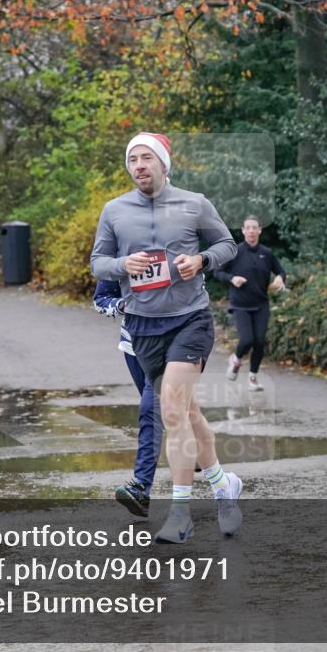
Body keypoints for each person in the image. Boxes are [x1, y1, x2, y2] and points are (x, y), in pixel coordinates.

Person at [90, 132, 240, 544]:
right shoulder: (115, 210)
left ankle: (180, 514)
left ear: (163, 164)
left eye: (145, 158)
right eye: (132, 160)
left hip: (189, 320)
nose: (138, 165)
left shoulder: (193, 203)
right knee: (188, 414)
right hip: (142, 326)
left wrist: (202, 260)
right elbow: (98, 265)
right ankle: (223, 485)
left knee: (171, 409)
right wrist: (124, 264)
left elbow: (228, 245)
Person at [93, 279, 162, 518]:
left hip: (169, 344)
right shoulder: (119, 253)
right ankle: (198, 451)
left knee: (150, 409)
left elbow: (196, 288)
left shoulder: (176, 245)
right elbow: (100, 300)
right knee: (168, 409)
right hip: (134, 345)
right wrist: (123, 305)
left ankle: (141, 488)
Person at [214, 215, 286, 392]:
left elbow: (281, 271)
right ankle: (236, 360)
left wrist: (279, 279)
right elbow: (217, 272)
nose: (252, 231)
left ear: (260, 230)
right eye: (248, 227)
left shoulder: (266, 253)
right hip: (240, 304)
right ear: (243, 230)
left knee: (260, 341)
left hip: (261, 304)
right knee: (247, 340)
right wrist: (232, 278)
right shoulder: (235, 252)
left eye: (255, 227)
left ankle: (253, 377)